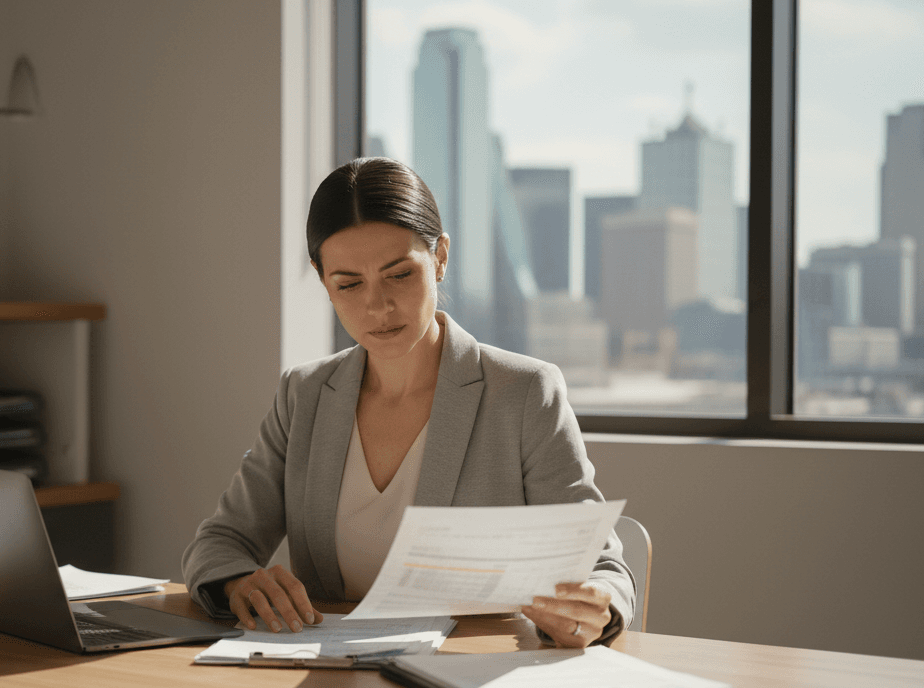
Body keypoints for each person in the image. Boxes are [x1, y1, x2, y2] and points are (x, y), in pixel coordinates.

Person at [182, 157, 633, 648]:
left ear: (439, 256)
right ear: (322, 278)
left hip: (467, 676)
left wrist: (598, 608)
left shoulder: (524, 393)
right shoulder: (304, 396)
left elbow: (604, 566)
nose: (377, 306)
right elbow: (220, 542)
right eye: (348, 284)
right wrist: (238, 582)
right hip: (324, 679)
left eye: (399, 275)